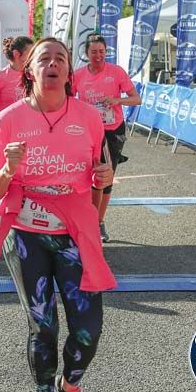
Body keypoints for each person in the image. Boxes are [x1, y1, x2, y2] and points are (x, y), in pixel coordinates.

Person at [0, 38, 115, 392]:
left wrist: (103, 181)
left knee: (88, 330)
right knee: (43, 325)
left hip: (74, 235)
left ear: (68, 71)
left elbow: (98, 179)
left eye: (61, 58)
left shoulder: (89, 118)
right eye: (45, 58)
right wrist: (8, 170)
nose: (53, 63)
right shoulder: (9, 119)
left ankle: (69, 387)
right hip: (24, 234)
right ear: (30, 70)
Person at [73, 34, 140, 244]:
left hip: (112, 131)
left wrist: (116, 100)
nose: (99, 56)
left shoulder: (116, 72)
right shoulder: (78, 75)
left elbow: (136, 99)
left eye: (102, 51)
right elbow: (66, 99)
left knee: (105, 178)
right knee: (84, 177)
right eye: (94, 52)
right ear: (86, 54)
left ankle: (98, 222)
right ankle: (82, 221)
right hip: (86, 132)